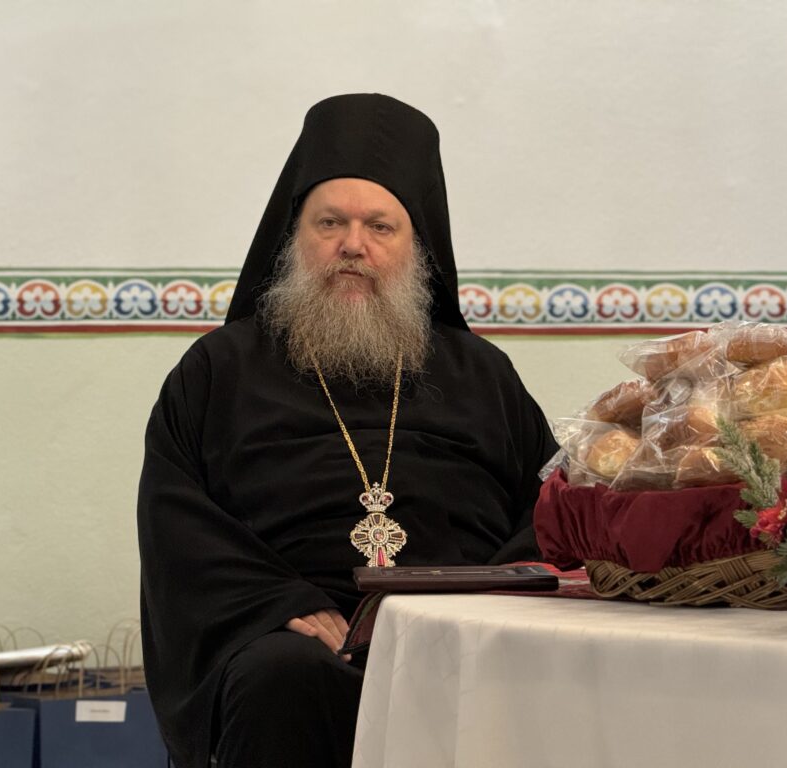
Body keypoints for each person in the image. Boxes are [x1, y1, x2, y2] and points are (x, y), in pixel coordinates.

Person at [137, 93, 557, 768]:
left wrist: (486, 599)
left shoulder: (481, 373)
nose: (353, 245)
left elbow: (551, 504)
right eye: (330, 222)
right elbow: (176, 520)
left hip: (466, 625)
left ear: (418, 247)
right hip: (296, 635)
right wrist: (275, 603)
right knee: (282, 675)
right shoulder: (218, 369)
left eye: (380, 227)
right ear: (293, 236)